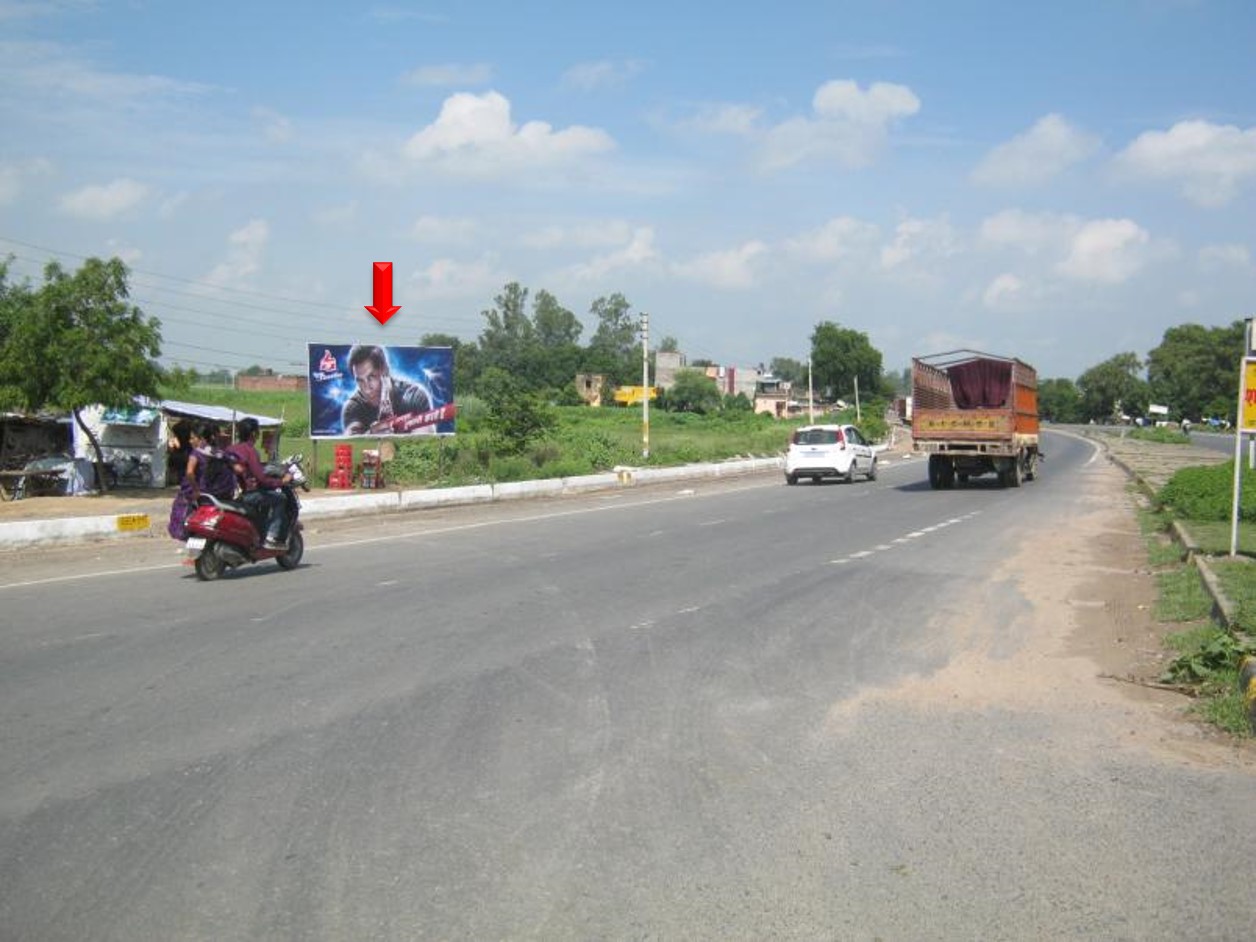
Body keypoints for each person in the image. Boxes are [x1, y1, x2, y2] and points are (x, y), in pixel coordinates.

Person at [224, 417, 293, 550]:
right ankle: (271, 537)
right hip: (247, 495)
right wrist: (281, 482)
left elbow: (254, 469)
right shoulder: (250, 451)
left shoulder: (230, 449)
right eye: (258, 432)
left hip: (230, 493)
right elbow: (261, 478)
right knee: (280, 499)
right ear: (253, 434)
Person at [341, 345, 433, 435]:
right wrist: (371, 434)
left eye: (371, 377)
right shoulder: (354, 406)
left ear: (385, 371)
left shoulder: (414, 397)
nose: (366, 389)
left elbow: (424, 441)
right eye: (360, 381)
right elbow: (351, 442)